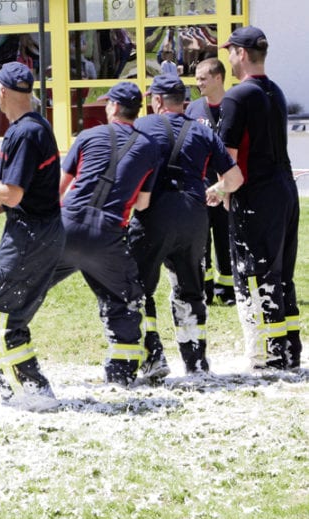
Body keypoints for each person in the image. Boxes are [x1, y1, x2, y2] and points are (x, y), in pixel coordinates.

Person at [129, 73, 242, 378]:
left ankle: (152, 356)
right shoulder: (203, 131)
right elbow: (235, 179)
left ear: (156, 101)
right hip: (194, 215)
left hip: (154, 213)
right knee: (190, 290)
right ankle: (197, 363)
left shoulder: (142, 126)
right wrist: (216, 191)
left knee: (138, 288)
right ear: (184, 103)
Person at [48, 82, 161, 386]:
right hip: (108, 234)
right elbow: (142, 202)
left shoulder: (86, 136)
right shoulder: (149, 147)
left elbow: (59, 188)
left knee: (33, 282)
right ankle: (121, 374)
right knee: (126, 298)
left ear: (112, 107)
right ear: (138, 111)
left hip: (67, 224)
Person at [0, 62, 65, 403]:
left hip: (30, 236)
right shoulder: (36, 126)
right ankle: (34, 390)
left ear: (2, 91)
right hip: (43, 232)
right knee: (12, 318)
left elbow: (12, 193)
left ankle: (22, 393)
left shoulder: (23, 132)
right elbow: (22, 191)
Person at [218, 27, 301, 370]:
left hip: (256, 195)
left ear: (240, 52)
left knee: (253, 274)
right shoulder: (275, 92)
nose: (228, 57)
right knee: (281, 274)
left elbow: (228, 154)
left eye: (230, 51)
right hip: (284, 191)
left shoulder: (238, 97)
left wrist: (223, 193)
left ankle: (266, 353)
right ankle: (289, 350)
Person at [186, 57, 234, 305]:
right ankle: (204, 290)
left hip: (227, 187)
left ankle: (228, 290)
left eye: (203, 78)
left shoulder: (234, 106)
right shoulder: (193, 110)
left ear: (218, 78)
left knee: (226, 240)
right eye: (197, 79)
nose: (198, 83)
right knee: (200, 241)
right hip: (200, 188)